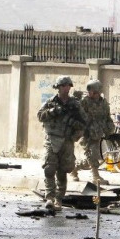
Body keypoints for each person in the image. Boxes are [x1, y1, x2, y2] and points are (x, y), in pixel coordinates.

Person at [37, 76, 87, 211]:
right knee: (49, 168)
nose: (67, 88)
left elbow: (84, 121)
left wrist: (76, 129)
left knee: (63, 170)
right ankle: (49, 198)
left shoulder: (75, 104)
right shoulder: (50, 102)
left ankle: (59, 199)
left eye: (68, 86)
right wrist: (53, 111)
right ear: (58, 87)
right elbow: (40, 116)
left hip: (67, 140)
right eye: (64, 86)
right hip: (52, 139)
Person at [70, 79, 115, 185]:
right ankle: (95, 176)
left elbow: (107, 117)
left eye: (93, 92)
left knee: (91, 158)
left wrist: (110, 128)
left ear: (98, 92)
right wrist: (76, 99)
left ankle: (74, 168)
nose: (91, 94)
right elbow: (75, 111)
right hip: (86, 133)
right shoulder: (84, 102)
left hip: (98, 132)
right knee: (92, 154)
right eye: (90, 91)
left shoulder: (103, 103)